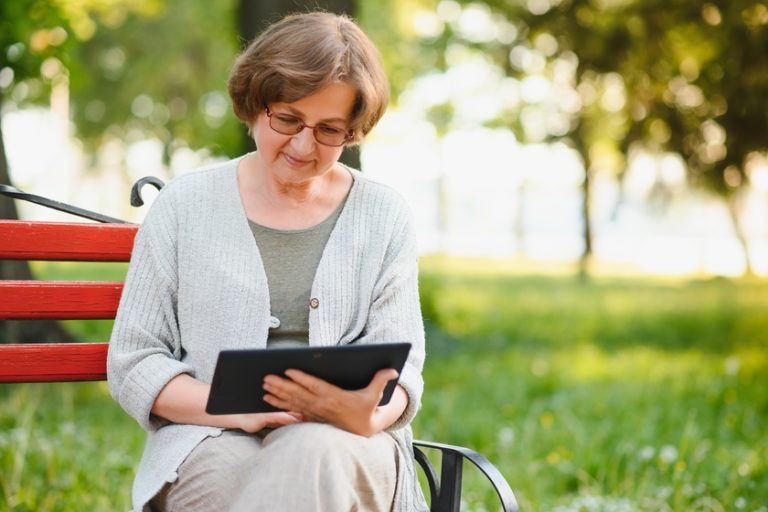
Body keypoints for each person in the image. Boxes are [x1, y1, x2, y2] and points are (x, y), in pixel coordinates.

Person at [106, 11, 427, 512]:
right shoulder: (184, 205)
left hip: (349, 444)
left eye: (329, 131)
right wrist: (239, 410)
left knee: (311, 448)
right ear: (256, 104)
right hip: (207, 438)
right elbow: (134, 363)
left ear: (353, 131)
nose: (303, 145)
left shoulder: (383, 215)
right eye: (288, 119)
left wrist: (369, 416)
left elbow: (403, 372)